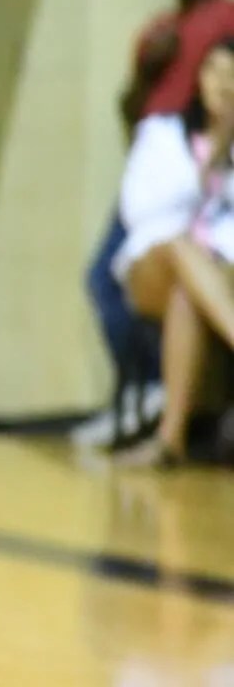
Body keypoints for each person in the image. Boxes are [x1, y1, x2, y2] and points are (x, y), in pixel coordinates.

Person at [74, 0, 234, 447]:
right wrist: (149, 68)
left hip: (208, 180)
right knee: (105, 280)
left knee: (185, 278)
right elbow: (131, 107)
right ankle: (147, 387)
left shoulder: (225, 18)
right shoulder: (159, 29)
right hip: (162, 170)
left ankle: (172, 413)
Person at [111, 37, 234, 468]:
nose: (222, 84)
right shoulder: (161, 134)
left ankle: (170, 440)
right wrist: (209, 163)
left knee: (189, 292)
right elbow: (142, 211)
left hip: (214, 278)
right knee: (182, 250)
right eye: (213, 72)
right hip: (152, 264)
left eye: (231, 75)